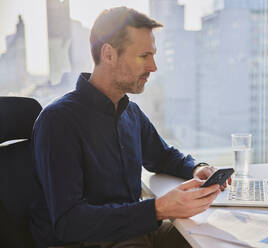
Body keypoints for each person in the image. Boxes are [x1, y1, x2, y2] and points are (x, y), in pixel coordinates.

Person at [31, 6, 229, 248]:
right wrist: (158, 209)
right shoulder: (58, 122)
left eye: (153, 55)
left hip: (137, 230)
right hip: (90, 241)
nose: (153, 66)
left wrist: (197, 168)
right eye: (143, 56)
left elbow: (163, 157)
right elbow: (69, 223)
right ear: (108, 54)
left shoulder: (130, 112)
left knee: (214, 239)